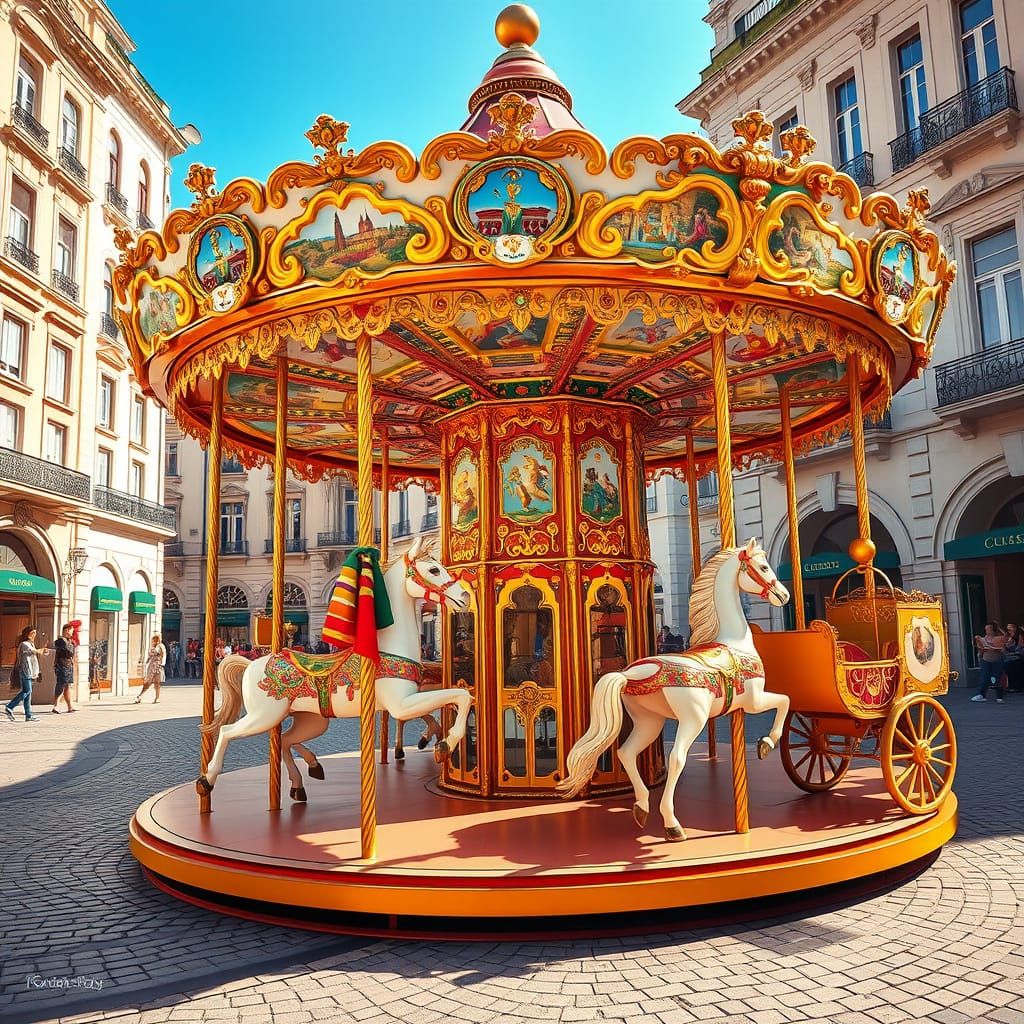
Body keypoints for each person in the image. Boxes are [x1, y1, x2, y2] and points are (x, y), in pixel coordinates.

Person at [5, 625, 50, 722]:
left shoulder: (30, 644)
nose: (34, 635)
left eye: (35, 633)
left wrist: (42, 651)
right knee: (27, 691)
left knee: (28, 694)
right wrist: (41, 650)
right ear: (27, 634)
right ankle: (10, 706)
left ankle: (28, 715)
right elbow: (34, 652)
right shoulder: (24, 644)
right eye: (32, 633)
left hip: (30, 671)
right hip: (25, 671)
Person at [972, 622, 1007, 702]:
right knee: (984, 677)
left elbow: (1003, 645)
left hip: (997, 660)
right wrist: (980, 646)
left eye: (988, 629)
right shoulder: (984, 638)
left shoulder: (999, 638)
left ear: (993, 630)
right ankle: (981, 694)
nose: (987, 631)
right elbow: (980, 649)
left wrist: (995, 648)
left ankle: (999, 696)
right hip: (986, 660)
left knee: (997, 678)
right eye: (986, 629)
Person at [51, 623, 78, 714]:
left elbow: (72, 653)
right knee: (61, 685)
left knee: (66, 686)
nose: (72, 632)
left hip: (68, 665)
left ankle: (69, 706)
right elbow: (69, 651)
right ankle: (56, 705)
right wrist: (72, 644)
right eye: (71, 630)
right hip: (61, 665)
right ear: (66, 630)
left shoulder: (69, 641)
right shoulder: (60, 641)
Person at [135, 634, 166, 704]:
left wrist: (162, 664)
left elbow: (164, 655)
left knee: (157, 682)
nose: (154, 641)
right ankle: (140, 696)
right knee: (148, 681)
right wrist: (146, 662)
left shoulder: (161, 646)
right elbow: (149, 656)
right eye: (153, 640)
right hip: (152, 665)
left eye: (155, 639)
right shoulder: (152, 647)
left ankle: (157, 698)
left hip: (158, 665)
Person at [1003, 622, 1022, 694]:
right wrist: (1006, 645)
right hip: (1009, 656)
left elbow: (1020, 648)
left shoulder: (1019, 636)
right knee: (1005, 663)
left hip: (1018, 655)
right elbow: (1004, 648)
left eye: (1011, 628)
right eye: (1008, 629)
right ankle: (1008, 685)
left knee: (1012, 664)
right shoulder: (1007, 637)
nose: (1009, 630)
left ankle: (1015, 686)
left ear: (1015, 628)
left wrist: (1013, 652)